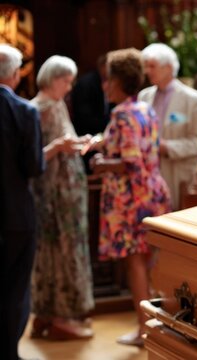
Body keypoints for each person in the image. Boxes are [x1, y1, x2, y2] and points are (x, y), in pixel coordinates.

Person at [91, 48, 171, 346]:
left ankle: (144, 329)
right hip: (150, 192)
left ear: (120, 81)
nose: (105, 85)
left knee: (135, 263)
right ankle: (153, 326)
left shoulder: (122, 113)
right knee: (149, 261)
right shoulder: (144, 108)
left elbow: (130, 161)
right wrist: (101, 143)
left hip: (131, 198)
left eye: (108, 79)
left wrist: (102, 164)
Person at [29, 55, 95, 340]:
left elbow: (64, 143)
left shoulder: (53, 105)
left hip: (63, 192)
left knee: (56, 251)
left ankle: (48, 314)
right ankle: (59, 316)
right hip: (56, 194)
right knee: (60, 252)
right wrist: (61, 147)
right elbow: (33, 157)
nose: (69, 87)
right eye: (66, 81)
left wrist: (83, 142)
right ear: (53, 78)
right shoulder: (40, 107)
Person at [0, 44, 44, 360]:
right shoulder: (25, 111)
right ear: (15, 75)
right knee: (16, 289)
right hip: (15, 214)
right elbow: (34, 167)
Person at [139, 43, 197, 210]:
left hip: (176, 174)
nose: (147, 71)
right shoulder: (144, 96)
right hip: (146, 174)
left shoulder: (193, 99)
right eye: (146, 66)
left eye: (152, 66)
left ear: (168, 67)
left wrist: (167, 147)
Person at [71, 54, 112, 173]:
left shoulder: (112, 82)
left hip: (102, 135)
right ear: (101, 66)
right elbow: (83, 117)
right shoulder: (86, 84)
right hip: (87, 135)